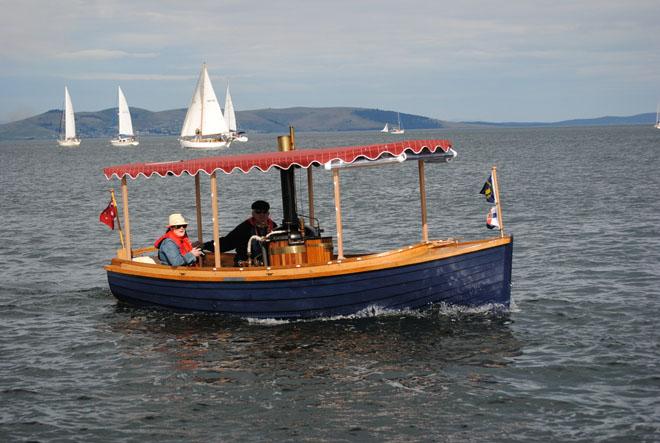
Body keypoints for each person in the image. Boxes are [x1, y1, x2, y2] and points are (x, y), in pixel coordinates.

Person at [202, 200, 278, 266]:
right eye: (258, 212)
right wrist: (205, 245)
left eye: (264, 212)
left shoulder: (274, 227)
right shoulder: (245, 228)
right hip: (245, 263)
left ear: (268, 213)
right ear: (253, 213)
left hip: (268, 263)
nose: (261, 215)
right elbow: (227, 242)